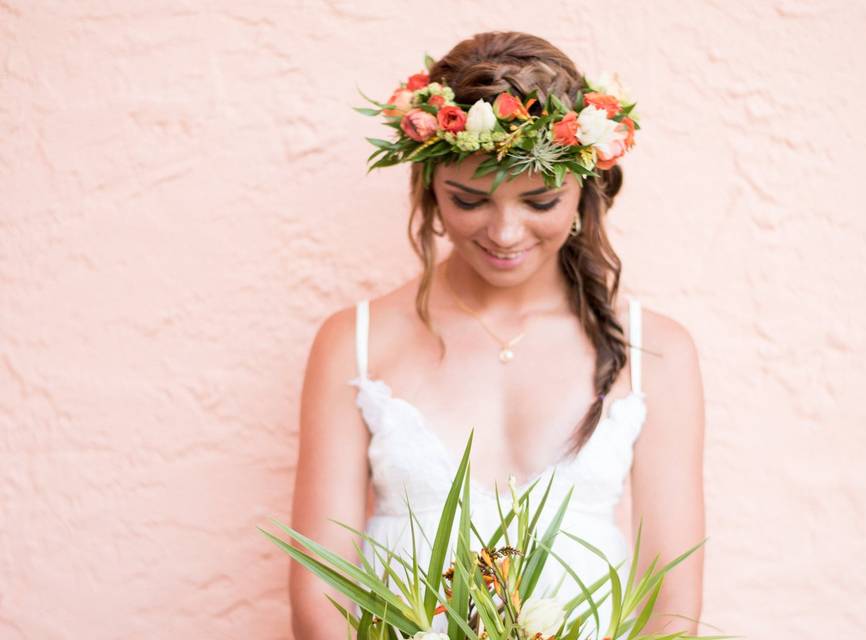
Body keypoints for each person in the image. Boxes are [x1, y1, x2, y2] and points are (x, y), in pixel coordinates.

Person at [288, 31, 705, 640]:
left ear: (585, 191)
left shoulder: (659, 352)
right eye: (469, 199)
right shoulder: (353, 342)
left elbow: (672, 598)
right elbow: (319, 591)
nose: (505, 233)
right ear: (430, 186)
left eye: (539, 201)